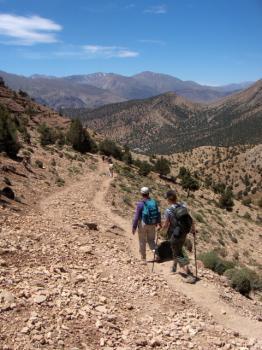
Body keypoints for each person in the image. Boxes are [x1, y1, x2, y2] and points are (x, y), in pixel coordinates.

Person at [162, 190, 196, 283]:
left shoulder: (168, 210)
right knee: (177, 250)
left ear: (168, 200)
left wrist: (160, 229)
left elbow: (166, 224)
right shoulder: (183, 206)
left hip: (175, 235)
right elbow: (191, 219)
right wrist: (193, 230)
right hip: (184, 233)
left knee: (177, 253)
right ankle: (174, 268)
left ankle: (190, 275)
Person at [132, 187, 161, 262]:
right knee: (151, 240)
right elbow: (158, 213)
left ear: (141, 194)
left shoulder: (140, 204)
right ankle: (157, 255)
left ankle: (143, 259)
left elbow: (136, 217)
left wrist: (134, 227)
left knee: (142, 241)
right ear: (148, 193)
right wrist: (158, 223)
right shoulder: (154, 202)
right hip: (152, 224)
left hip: (143, 224)